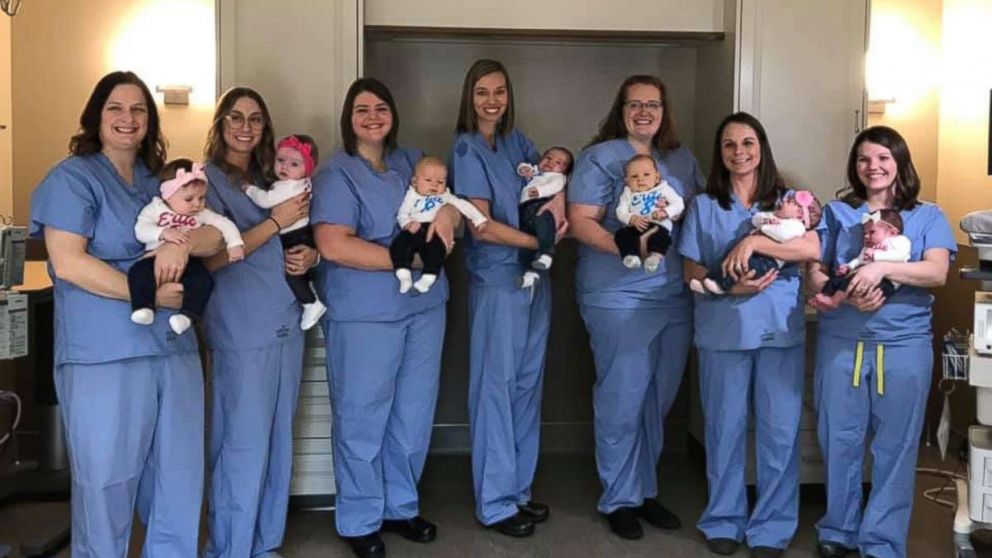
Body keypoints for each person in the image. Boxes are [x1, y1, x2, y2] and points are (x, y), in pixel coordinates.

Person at [29, 70, 217, 557]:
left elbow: (215, 234)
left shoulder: (162, 184)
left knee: (178, 482)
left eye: (138, 109)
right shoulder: (72, 178)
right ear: (96, 115)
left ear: (150, 120)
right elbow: (69, 263)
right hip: (104, 356)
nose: (128, 119)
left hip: (172, 352)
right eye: (116, 107)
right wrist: (150, 296)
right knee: (106, 487)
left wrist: (185, 243)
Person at [312, 77, 461, 558]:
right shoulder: (338, 174)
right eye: (361, 109)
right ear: (348, 117)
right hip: (364, 315)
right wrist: (412, 261)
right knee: (362, 415)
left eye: (381, 107)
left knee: (414, 412)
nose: (372, 116)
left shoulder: (411, 161)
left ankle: (401, 505)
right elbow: (334, 244)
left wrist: (445, 219)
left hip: (424, 308)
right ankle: (359, 517)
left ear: (393, 113)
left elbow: (448, 204)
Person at [807, 126, 954, 558]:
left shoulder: (928, 215)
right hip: (842, 342)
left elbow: (937, 272)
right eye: (864, 159)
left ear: (900, 163)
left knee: (896, 445)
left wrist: (882, 271)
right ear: (855, 167)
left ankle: (882, 541)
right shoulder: (837, 213)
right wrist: (833, 290)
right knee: (840, 438)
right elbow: (815, 270)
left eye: (883, 158)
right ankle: (838, 529)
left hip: (903, 346)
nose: (873, 167)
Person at [678, 112, 820, 558]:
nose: (739, 152)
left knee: (780, 432)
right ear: (720, 154)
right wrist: (733, 285)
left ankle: (772, 528)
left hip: (779, 333)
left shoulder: (789, 202)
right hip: (723, 332)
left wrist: (754, 244)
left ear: (762, 147)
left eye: (748, 143)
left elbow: (810, 247)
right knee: (724, 430)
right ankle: (724, 518)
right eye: (729, 145)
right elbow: (690, 268)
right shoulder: (705, 205)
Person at [567, 74, 703, 541]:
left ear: (665, 111)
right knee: (622, 396)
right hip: (617, 295)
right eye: (634, 104)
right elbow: (580, 222)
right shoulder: (600, 158)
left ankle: (644, 489)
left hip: (673, 297)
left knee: (656, 400)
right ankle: (618, 497)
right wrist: (631, 245)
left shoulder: (681, 158)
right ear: (620, 109)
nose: (644, 111)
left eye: (653, 104)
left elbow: (700, 213)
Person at [450, 59, 567, 538]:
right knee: (494, 390)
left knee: (525, 387)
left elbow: (547, 188)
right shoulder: (465, 149)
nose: (491, 101)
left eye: (499, 91)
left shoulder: (519, 143)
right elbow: (481, 226)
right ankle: (495, 502)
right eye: (481, 92)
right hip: (498, 283)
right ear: (469, 96)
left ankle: (518, 489)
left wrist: (553, 219)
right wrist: (536, 242)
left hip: (535, 283)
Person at [200, 87, 316, 558]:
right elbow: (207, 260)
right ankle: (230, 547)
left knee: (277, 440)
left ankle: (265, 544)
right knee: (241, 443)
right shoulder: (204, 180)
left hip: (285, 319)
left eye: (255, 119)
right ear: (220, 124)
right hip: (239, 327)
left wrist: (312, 254)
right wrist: (274, 223)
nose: (245, 127)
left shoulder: (278, 176)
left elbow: (302, 235)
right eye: (235, 117)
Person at [130, 159, 244, 334]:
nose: (197, 204)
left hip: (190, 261)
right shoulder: (155, 209)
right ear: (168, 195)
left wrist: (235, 244)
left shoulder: (201, 214)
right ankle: (143, 307)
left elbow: (224, 224)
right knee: (138, 272)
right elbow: (141, 229)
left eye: (201, 198)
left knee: (204, 281)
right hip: (154, 258)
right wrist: (162, 233)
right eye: (189, 199)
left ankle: (188, 316)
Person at [243, 134, 327, 330]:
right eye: (280, 160)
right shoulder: (302, 184)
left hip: (293, 236)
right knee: (299, 270)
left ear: (307, 168)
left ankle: (311, 304)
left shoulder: (288, 187)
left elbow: (265, 200)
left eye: (294, 164)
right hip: (303, 233)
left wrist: (248, 189)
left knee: (292, 273)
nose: (284, 167)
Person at [691, 189, 822, 295]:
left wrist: (754, 241)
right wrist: (766, 220)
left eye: (790, 202)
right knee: (728, 261)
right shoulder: (776, 216)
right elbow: (757, 219)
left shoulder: (796, 226)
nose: (784, 200)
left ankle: (721, 286)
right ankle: (710, 280)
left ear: (799, 215)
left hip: (767, 261)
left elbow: (807, 248)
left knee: (745, 268)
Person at [391, 156, 488, 294]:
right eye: (428, 180)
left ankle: (428, 278)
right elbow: (402, 213)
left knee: (437, 250)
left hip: (435, 229)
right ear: (415, 181)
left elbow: (464, 206)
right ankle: (403, 274)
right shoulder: (412, 196)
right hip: (416, 227)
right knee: (400, 244)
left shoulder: (445, 197)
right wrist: (407, 224)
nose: (434, 185)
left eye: (440, 182)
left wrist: (479, 220)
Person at [812, 208, 910, 308]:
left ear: (892, 232)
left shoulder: (900, 241)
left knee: (849, 282)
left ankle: (834, 301)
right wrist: (848, 267)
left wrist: (875, 255)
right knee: (837, 279)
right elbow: (859, 260)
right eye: (865, 233)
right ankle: (824, 295)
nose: (866, 236)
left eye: (872, 232)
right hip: (862, 276)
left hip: (887, 281)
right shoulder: (868, 248)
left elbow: (899, 256)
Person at [613, 153, 685, 273]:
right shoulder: (628, 194)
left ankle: (654, 258)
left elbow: (679, 203)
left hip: (658, 225)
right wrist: (631, 218)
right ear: (627, 181)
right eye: (634, 176)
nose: (640, 179)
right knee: (622, 235)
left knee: (662, 238)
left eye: (646, 174)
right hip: (636, 225)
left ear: (657, 177)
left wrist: (665, 212)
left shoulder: (663, 189)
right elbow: (620, 211)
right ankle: (631, 256)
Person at [516, 146, 572, 288]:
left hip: (541, 204)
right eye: (548, 157)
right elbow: (523, 167)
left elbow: (554, 186)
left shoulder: (558, 177)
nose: (551, 162)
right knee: (526, 247)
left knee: (544, 226)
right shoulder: (536, 173)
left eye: (559, 163)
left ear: (565, 170)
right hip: (524, 209)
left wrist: (539, 191)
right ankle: (531, 275)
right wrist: (523, 169)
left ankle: (547, 253)